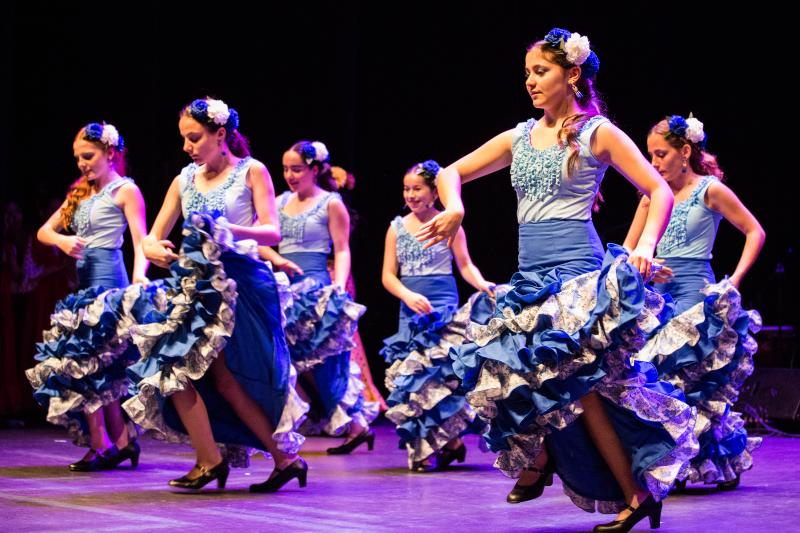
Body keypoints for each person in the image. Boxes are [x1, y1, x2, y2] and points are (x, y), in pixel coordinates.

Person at [416, 28, 698, 532]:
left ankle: (631, 493)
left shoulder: (597, 132)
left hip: (576, 273)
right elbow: (449, 173)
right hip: (530, 276)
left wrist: (644, 247)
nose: (530, 81)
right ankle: (541, 461)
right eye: (526, 73)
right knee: (505, 368)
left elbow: (658, 190)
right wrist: (455, 208)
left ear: (572, 75)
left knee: (582, 388)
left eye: (540, 71)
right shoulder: (519, 137)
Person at [127, 97, 308, 492]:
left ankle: (243, 460)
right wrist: (154, 250)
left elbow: (272, 231)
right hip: (195, 286)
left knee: (223, 378)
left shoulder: (251, 171)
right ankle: (255, 460)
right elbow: (152, 237)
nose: (188, 147)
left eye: (194, 138)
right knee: (179, 371)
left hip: (238, 284)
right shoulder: (183, 179)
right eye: (184, 139)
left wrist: (229, 230)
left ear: (220, 134)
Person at [626, 114, 765, 490]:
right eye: (650, 156)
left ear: (684, 152)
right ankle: (676, 459)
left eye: (660, 154)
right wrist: (645, 265)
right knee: (655, 378)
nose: (653, 164)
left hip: (694, 293)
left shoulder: (709, 190)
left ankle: (693, 460)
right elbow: (628, 249)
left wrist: (733, 280)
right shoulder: (651, 197)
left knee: (690, 380)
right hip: (658, 295)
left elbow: (754, 231)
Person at [26, 122, 147, 471]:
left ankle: (103, 444)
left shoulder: (125, 191)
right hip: (84, 288)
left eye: (88, 156)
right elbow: (44, 231)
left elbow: (141, 242)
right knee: (93, 366)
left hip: (111, 284)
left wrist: (139, 279)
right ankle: (121, 442)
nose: (82, 163)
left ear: (110, 154)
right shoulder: (80, 193)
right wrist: (62, 241)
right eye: (78, 157)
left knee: (92, 365)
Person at [261, 141, 378, 454]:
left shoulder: (330, 203)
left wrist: (338, 287)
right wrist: (276, 258)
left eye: (297, 169)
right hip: (285, 291)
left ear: (314, 169)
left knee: (323, 363)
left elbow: (341, 249)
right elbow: (260, 239)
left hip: (317, 291)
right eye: (285, 169)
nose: (289, 175)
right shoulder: (280, 201)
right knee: (288, 362)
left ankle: (355, 425)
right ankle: (316, 420)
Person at [381, 159, 495, 472]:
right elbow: (388, 275)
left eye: (417, 188)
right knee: (416, 382)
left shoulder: (449, 223)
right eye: (406, 189)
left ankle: (448, 441)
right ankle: (423, 449)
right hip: (413, 312)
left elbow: (465, 265)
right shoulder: (396, 228)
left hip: (443, 309)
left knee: (444, 380)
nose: (411, 194)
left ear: (434, 192)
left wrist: (483, 283)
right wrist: (406, 294)